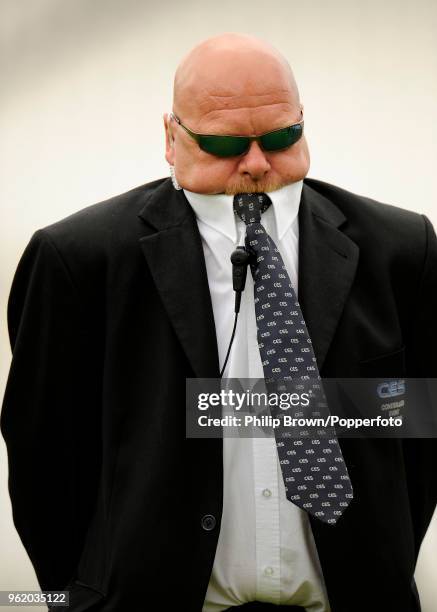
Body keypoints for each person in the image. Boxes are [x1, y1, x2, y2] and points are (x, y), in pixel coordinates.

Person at [1, 31, 436, 612]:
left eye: (282, 136)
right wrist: (75, 597)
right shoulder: (78, 259)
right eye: (227, 142)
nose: (257, 163)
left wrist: (381, 562)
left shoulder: (402, 249)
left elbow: (417, 434)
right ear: (170, 137)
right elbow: (44, 456)